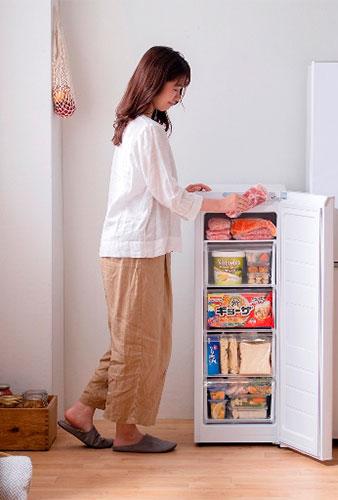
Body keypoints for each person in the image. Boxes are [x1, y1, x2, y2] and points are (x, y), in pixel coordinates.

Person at [58, 46, 250, 453]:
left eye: (182, 89)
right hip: (135, 252)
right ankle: (127, 433)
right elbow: (166, 195)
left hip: (135, 249)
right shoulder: (147, 130)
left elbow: (154, 190)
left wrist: (185, 191)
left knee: (133, 340)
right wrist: (223, 203)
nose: (178, 96)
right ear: (154, 81)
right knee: (139, 344)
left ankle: (81, 411)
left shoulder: (138, 127)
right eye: (175, 87)